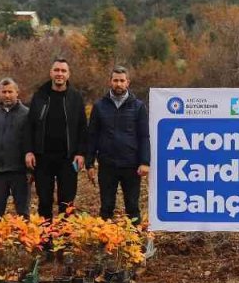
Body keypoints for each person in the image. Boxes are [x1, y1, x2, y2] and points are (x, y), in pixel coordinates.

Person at [86, 66, 150, 225]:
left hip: (131, 165)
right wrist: (89, 163)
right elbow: (92, 136)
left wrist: (145, 162)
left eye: (122, 80)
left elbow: (144, 136)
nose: (118, 84)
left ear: (128, 82)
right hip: (107, 164)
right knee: (106, 206)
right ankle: (105, 243)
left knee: (132, 207)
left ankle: (135, 244)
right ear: (110, 82)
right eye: (115, 80)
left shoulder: (138, 106)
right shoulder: (100, 106)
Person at [25, 59, 88, 218]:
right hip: (42, 157)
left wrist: (81, 153)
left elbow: (82, 128)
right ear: (51, 72)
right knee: (44, 200)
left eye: (63, 71)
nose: (59, 73)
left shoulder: (75, 97)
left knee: (66, 202)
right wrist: (29, 151)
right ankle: (45, 241)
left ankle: (64, 239)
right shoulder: (39, 96)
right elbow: (29, 127)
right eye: (56, 70)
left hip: (68, 159)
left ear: (68, 74)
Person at [0, 78, 31, 219]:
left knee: (23, 213)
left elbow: (32, 144)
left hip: (20, 172)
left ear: (17, 92)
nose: (7, 95)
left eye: (10, 91)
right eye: (4, 92)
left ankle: (25, 240)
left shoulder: (27, 114)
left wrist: (31, 170)